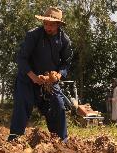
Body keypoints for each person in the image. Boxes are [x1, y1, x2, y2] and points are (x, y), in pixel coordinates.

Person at [7, 7, 73, 142]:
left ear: (59, 24)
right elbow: (22, 58)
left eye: (52, 24)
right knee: (23, 106)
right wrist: (34, 77)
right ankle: (14, 140)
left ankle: (61, 141)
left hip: (49, 82)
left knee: (58, 105)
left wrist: (58, 75)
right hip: (27, 79)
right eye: (46, 23)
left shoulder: (64, 40)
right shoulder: (33, 35)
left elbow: (66, 63)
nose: (48, 27)